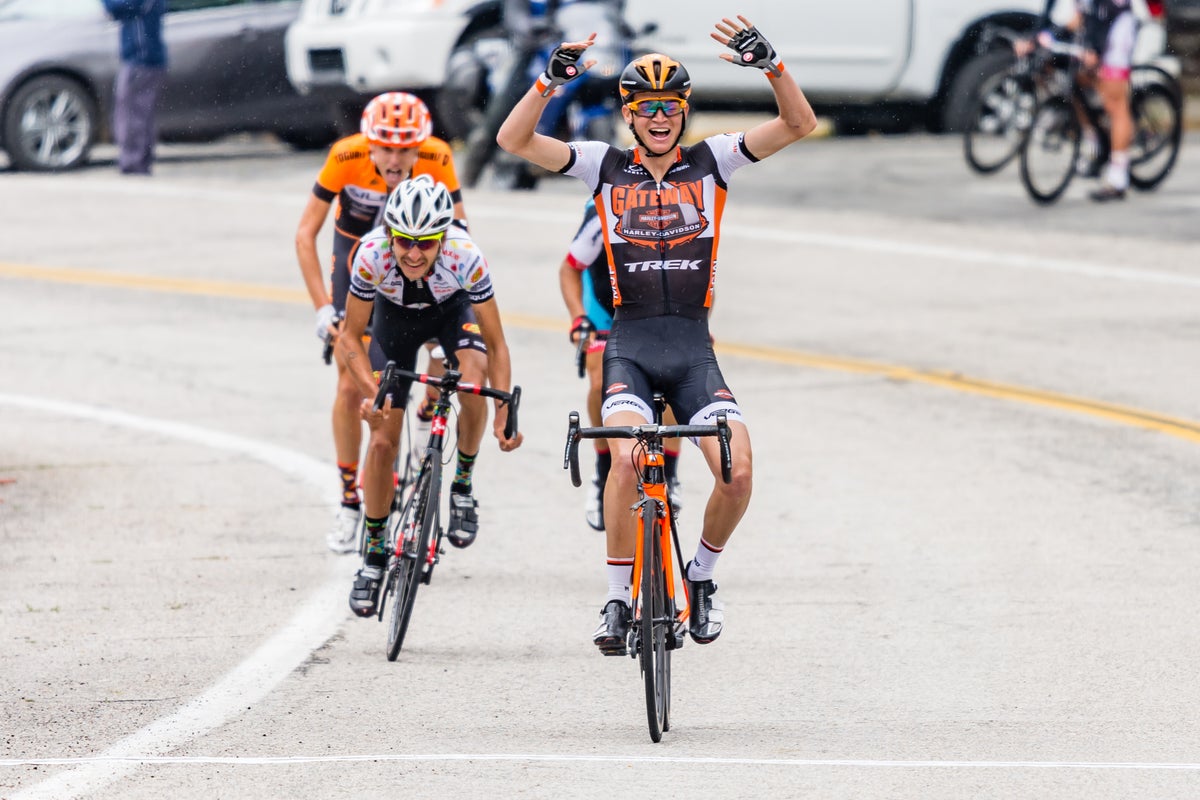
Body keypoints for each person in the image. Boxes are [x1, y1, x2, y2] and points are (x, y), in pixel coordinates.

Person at [498, 16, 818, 653]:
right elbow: (514, 140)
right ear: (629, 113)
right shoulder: (601, 166)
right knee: (623, 457)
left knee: (739, 472)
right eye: (647, 108)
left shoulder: (715, 159)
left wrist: (772, 66)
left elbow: (799, 125)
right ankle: (618, 598)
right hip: (631, 347)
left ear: (683, 110)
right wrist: (548, 81)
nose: (661, 118)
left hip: (694, 349)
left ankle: (700, 577)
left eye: (670, 107)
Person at [337, 175, 523, 617]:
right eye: (404, 241)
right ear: (389, 235)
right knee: (382, 438)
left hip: (450, 314)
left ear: (443, 238)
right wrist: (370, 392)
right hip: (393, 323)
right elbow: (348, 337)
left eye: (426, 243)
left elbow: (497, 345)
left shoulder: (465, 256)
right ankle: (375, 554)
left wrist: (502, 413)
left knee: (473, 378)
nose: (414, 253)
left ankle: (462, 485)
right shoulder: (371, 255)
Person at [295, 92, 466, 554]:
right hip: (358, 272)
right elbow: (305, 234)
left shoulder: (437, 157)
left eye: (404, 147)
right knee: (352, 389)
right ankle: (351, 500)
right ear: (368, 143)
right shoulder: (345, 156)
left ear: (420, 145)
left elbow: (460, 236)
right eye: (384, 147)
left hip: (417, 273)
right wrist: (321, 307)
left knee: (441, 361)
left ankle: (426, 422)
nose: (394, 158)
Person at [559, 197, 682, 532]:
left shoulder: (680, 209)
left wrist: (699, 324)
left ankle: (670, 474)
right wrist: (578, 318)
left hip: (658, 311)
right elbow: (569, 267)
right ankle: (602, 474)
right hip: (604, 309)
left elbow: (704, 279)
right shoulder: (604, 211)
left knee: (674, 377)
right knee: (601, 382)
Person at [1016, 0, 1138, 201]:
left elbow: (1104, 10)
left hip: (1116, 23)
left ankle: (1118, 176)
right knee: (1072, 81)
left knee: (1114, 103)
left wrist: (1095, 49)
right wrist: (1037, 37)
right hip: (1091, 19)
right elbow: (1059, 11)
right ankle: (1096, 140)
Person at [102, 0, 166, 176]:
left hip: (141, 59)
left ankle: (133, 163)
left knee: (131, 113)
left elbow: (119, 7)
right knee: (141, 113)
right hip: (144, 58)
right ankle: (139, 161)